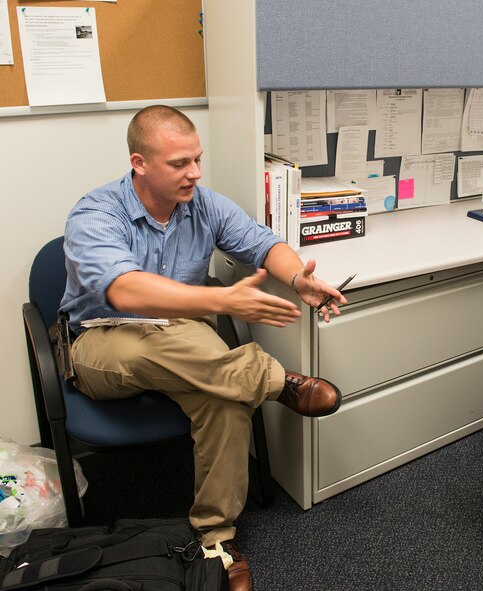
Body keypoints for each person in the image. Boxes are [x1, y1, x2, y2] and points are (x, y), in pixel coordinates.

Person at [60, 105, 347, 590]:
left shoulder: (204, 204)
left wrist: (298, 275)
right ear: (139, 163)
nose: (194, 173)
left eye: (197, 159)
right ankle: (275, 381)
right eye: (179, 164)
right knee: (151, 347)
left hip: (183, 338)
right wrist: (221, 299)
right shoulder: (95, 213)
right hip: (103, 340)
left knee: (223, 395)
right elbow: (125, 291)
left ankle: (215, 536)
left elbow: (260, 242)